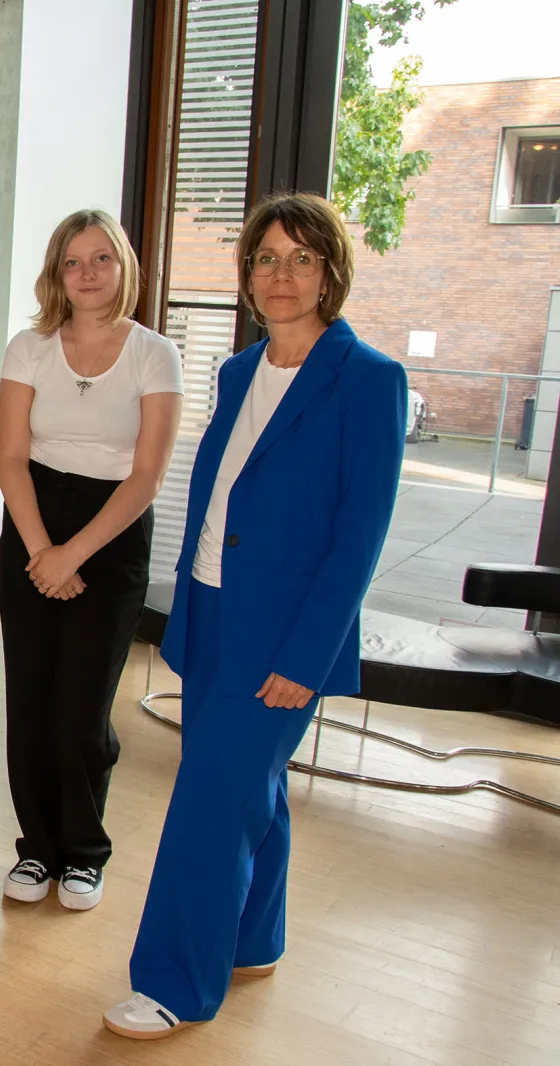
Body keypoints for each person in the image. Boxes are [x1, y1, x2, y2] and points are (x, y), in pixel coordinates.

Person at [103, 192, 407, 1039]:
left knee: (206, 805)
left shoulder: (370, 381)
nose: (282, 275)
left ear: (330, 272)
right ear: (246, 275)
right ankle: (252, 939)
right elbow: (218, 501)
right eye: (267, 258)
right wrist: (189, 617)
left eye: (301, 258)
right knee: (247, 790)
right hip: (211, 612)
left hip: (285, 634)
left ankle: (173, 982)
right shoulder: (238, 371)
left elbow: (359, 538)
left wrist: (308, 656)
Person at [0, 210, 182, 911]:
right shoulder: (29, 348)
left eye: (101, 259)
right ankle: (36, 849)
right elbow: (10, 459)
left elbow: (147, 476)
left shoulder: (153, 353)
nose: (87, 273)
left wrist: (73, 552)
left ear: (122, 267)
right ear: (56, 273)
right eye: (73, 261)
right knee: (31, 699)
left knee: (82, 706)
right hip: (34, 523)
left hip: (112, 534)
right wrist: (43, 550)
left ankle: (84, 851)